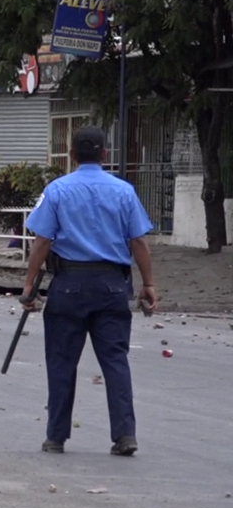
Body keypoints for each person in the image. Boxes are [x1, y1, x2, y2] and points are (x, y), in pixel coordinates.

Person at [22, 125, 157, 457]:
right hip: (112, 286)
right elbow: (137, 241)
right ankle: (125, 435)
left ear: (71, 155)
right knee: (115, 361)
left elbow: (42, 242)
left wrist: (29, 285)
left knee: (61, 361)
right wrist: (149, 284)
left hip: (68, 285)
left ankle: (56, 437)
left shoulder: (57, 190)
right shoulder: (124, 191)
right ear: (104, 154)